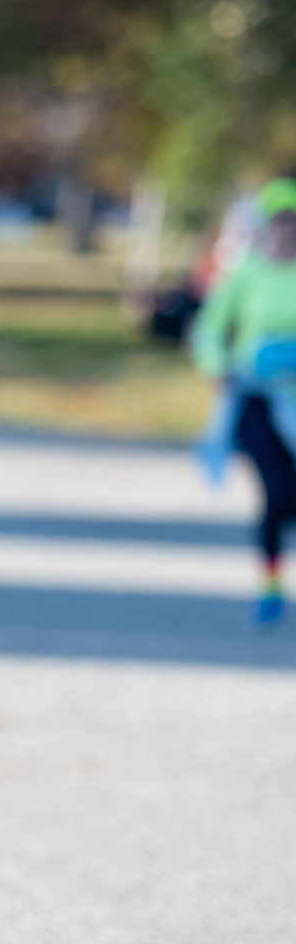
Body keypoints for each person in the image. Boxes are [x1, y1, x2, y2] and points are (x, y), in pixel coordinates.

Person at [192, 177, 296, 623]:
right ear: (266, 226)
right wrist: (219, 364)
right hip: (254, 398)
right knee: (278, 491)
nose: (287, 230)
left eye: (293, 221)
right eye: (280, 221)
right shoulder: (245, 274)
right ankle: (269, 583)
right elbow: (210, 330)